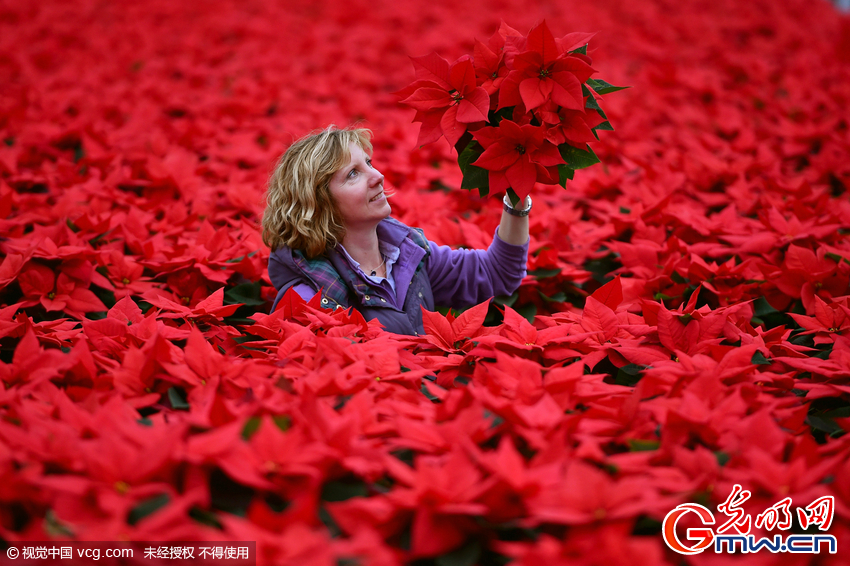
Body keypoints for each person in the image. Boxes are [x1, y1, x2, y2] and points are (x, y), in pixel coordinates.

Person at [262, 126, 531, 336]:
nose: (377, 175)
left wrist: (516, 200)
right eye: (353, 174)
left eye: (368, 162)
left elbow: (497, 274)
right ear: (317, 202)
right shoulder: (307, 297)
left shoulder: (409, 254)